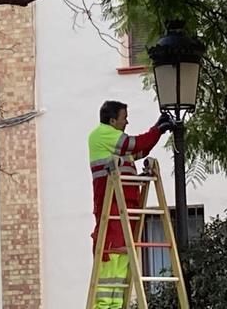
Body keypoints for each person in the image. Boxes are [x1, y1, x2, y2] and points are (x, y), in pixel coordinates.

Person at [88, 100, 174, 308]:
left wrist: (157, 130)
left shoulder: (116, 145)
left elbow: (139, 151)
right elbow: (134, 144)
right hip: (112, 207)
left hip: (124, 208)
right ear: (112, 120)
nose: (127, 122)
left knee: (121, 263)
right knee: (111, 260)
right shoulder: (102, 134)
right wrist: (157, 130)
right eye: (124, 118)